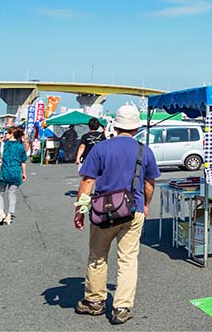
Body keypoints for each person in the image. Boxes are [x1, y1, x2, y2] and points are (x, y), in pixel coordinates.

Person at [74, 105, 160, 325]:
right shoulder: (144, 150)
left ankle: (94, 301)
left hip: (103, 211)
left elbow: (88, 181)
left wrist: (80, 210)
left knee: (97, 256)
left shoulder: (101, 148)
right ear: (136, 127)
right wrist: (146, 205)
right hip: (133, 209)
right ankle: (122, 307)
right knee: (128, 259)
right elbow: (149, 184)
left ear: (116, 124)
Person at [0, 127, 28, 225]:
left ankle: (1, 212)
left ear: (11, 134)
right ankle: (9, 216)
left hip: (4, 172)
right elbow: (23, 161)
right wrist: (24, 173)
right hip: (16, 173)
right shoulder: (20, 147)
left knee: (0, 193)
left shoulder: (3, 145)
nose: (5, 134)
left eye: (7, 133)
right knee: (12, 194)